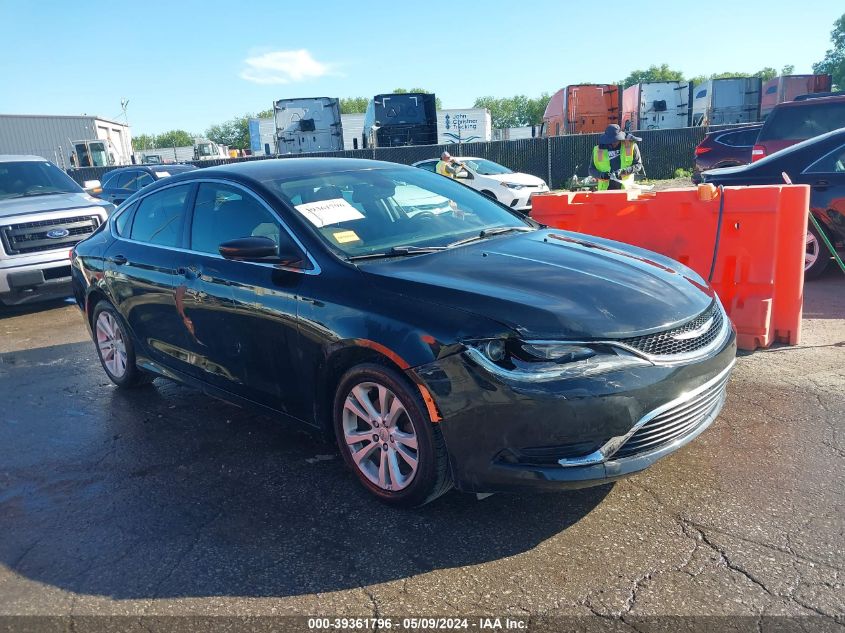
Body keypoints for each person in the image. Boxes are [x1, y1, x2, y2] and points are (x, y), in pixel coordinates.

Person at [589, 124, 643, 191]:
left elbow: (638, 166)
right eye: (610, 141)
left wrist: (623, 172)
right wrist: (601, 175)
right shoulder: (598, 150)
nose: (613, 143)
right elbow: (591, 170)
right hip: (605, 191)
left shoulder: (630, 146)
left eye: (616, 140)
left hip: (625, 189)